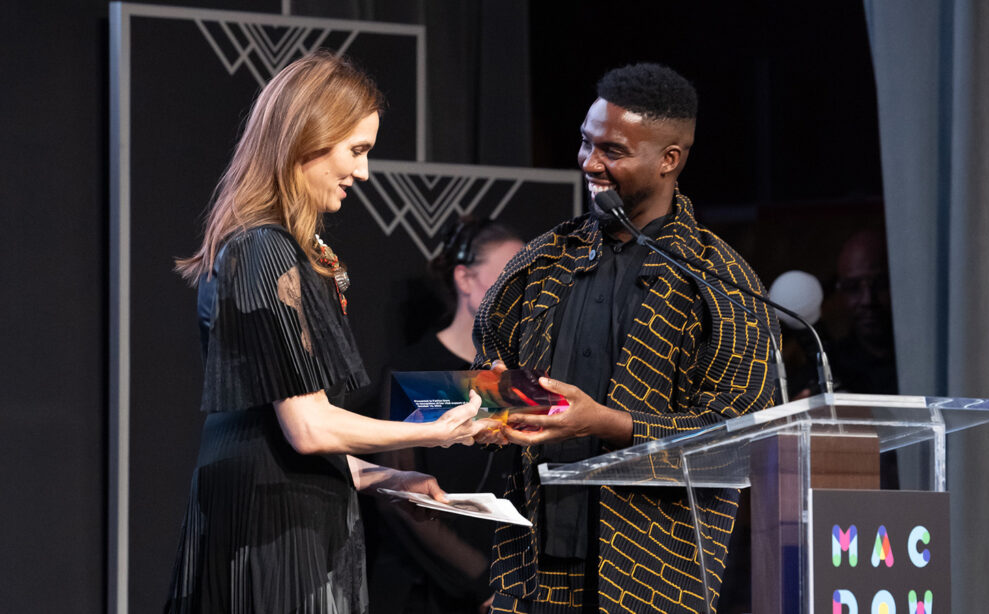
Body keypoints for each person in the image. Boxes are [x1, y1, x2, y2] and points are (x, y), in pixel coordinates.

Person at [165, 51, 489, 613]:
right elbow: (308, 429)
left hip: (285, 514)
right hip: (271, 532)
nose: (363, 172)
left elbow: (281, 436)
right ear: (305, 139)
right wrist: (434, 431)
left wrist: (386, 477)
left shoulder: (279, 250)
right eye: (356, 151)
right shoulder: (264, 250)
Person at [473, 63, 778, 613]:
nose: (590, 163)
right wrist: (488, 410)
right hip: (532, 572)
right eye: (586, 143)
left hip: (655, 581)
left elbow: (744, 443)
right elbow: (490, 373)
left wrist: (610, 425)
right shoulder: (540, 263)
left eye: (612, 150)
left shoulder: (720, 283)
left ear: (669, 160)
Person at [368, 218, 524, 614]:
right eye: (509, 276)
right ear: (465, 279)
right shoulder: (415, 371)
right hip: (428, 593)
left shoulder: (520, 379)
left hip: (514, 589)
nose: (522, 292)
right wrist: (480, 582)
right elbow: (398, 496)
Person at [830, 228, 898, 394]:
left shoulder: (931, 358)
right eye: (853, 287)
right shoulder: (828, 369)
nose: (868, 300)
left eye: (880, 284)